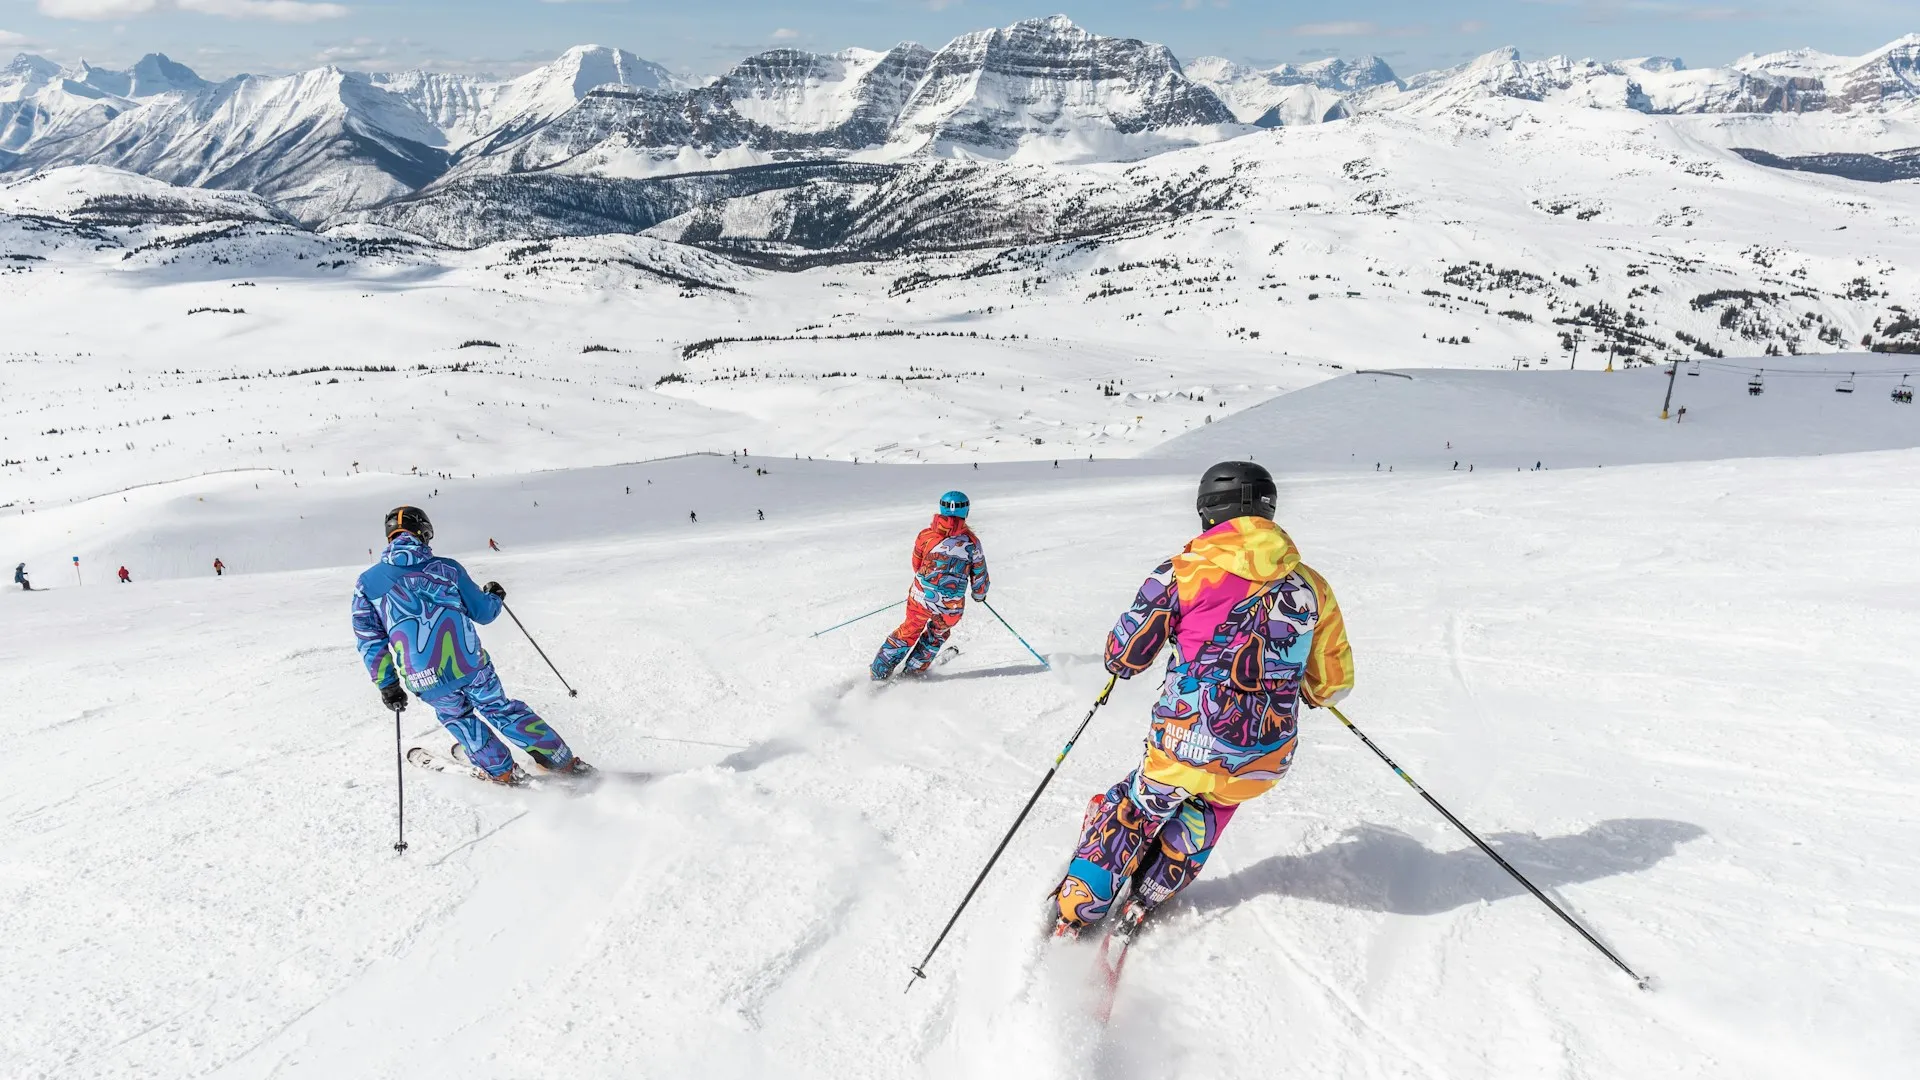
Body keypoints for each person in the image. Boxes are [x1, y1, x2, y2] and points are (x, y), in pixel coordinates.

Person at [1050, 462, 1354, 939]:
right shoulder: (1310, 585)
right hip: (1264, 754)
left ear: (1209, 511)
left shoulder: (1183, 572)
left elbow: (1125, 654)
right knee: (1211, 808)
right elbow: (1330, 682)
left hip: (1184, 739)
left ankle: (1079, 906)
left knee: (1138, 806)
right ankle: (1149, 893)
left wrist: (1118, 665)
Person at [352, 506, 590, 785]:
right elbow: (483, 613)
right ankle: (560, 762)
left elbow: (369, 638)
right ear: (424, 532)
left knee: (460, 718)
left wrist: (387, 684)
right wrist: (495, 596)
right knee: (501, 709)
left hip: (423, 677)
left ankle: (501, 770)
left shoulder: (367, 583)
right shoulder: (446, 569)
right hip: (469, 664)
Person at [870, 491, 989, 681]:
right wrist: (979, 594)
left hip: (921, 597)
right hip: (950, 605)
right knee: (937, 633)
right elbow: (980, 574)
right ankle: (913, 671)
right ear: (966, 512)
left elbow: (917, 564)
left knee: (910, 628)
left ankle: (880, 670)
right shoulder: (972, 543)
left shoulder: (926, 536)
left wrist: (928, 585)